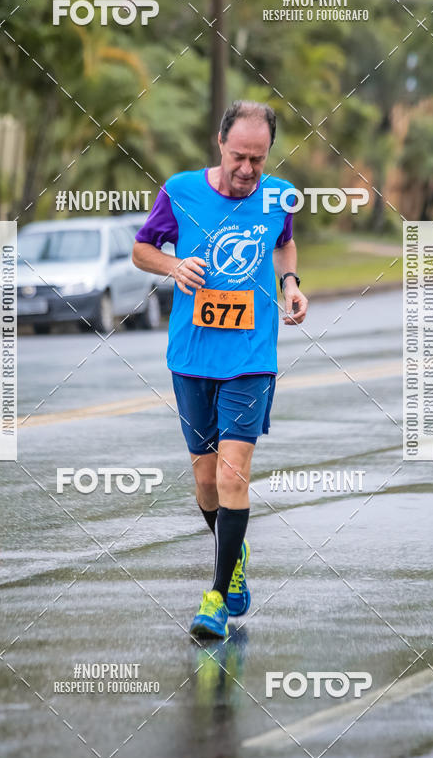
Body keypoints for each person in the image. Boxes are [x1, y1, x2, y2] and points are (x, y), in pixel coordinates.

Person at [132, 100, 308, 639]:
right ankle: (234, 551)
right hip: (192, 356)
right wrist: (173, 264)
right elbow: (141, 249)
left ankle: (216, 596)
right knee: (206, 482)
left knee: (233, 475)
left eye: (258, 158)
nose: (248, 169)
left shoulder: (279, 196)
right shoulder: (180, 191)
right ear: (220, 143)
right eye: (239, 157)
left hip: (251, 358)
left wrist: (290, 284)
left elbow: (284, 243)